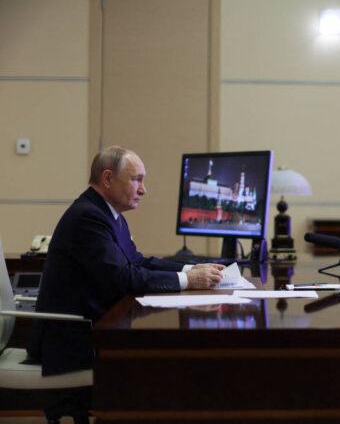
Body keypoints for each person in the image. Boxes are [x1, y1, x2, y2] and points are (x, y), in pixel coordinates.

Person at [28, 146, 224, 376]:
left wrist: (192, 268)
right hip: (72, 342)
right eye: (136, 179)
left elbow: (137, 262)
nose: (143, 190)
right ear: (108, 178)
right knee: (168, 361)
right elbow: (124, 278)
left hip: (95, 327)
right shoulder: (88, 217)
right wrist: (188, 280)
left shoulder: (109, 214)